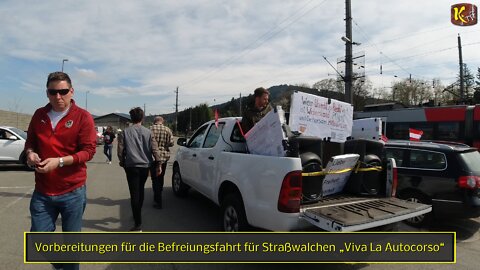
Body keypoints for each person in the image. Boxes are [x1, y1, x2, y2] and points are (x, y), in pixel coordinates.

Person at [25, 71, 96, 270]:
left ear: (71, 91)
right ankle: (64, 264)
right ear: (47, 93)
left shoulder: (83, 117)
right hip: (43, 191)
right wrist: (30, 153)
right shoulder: (39, 114)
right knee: (38, 240)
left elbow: (89, 151)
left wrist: (60, 162)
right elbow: (30, 141)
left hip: (72, 191)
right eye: (52, 92)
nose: (58, 96)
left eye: (63, 91)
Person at [117, 107, 158, 231]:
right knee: (141, 190)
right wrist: (158, 162)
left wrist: (122, 162)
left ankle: (138, 223)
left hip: (131, 166)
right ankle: (137, 215)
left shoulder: (125, 132)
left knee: (134, 193)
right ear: (142, 118)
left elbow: (120, 150)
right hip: (145, 166)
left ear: (131, 118)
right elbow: (154, 149)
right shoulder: (148, 132)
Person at [150, 116, 174, 209]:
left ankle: (157, 199)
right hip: (164, 157)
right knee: (161, 177)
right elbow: (171, 143)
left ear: (154, 121)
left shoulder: (150, 129)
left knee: (154, 178)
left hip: (152, 157)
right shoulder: (167, 129)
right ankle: (159, 193)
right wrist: (164, 144)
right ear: (162, 121)